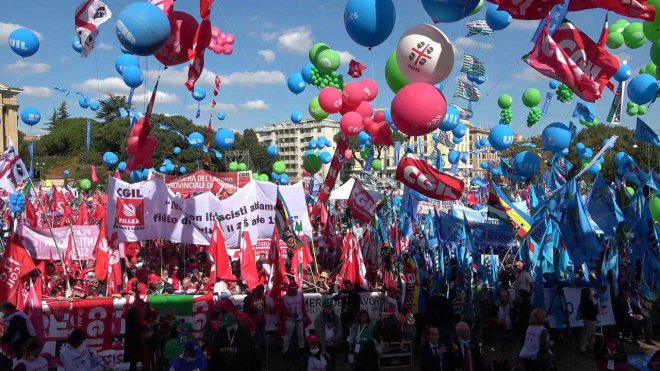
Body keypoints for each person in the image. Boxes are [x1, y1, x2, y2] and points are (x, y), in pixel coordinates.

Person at [313, 299, 342, 371]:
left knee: (333, 363)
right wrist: (323, 349)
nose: (329, 308)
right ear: (323, 307)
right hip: (323, 345)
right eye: (327, 306)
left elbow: (340, 331)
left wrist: (334, 338)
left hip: (333, 344)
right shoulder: (318, 318)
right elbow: (319, 333)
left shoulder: (336, 317)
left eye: (330, 306)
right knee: (324, 364)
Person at [244, 284, 267, 370]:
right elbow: (246, 311)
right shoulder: (248, 298)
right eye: (260, 291)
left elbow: (264, 306)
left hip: (261, 321)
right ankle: (255, 357)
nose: (261, 293)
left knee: (263, 340)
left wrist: (265, 309)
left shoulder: (263, 297)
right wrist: (254, 312)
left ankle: (262, 358)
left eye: (262, 291)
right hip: (253, 322)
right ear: (256, 290)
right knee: (258, 339)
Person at [282, 281, 307, 354]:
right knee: (288, 335)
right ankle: (285, 350)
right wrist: (289, 313)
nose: (294, 291)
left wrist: (304, 316)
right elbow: (284, 308)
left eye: (295, 289)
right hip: (290, 318)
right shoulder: (285, 297)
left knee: (301, 335)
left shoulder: (300, 295)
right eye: (292, 290)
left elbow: (302, 306)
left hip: (299, 318)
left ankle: (301, 349)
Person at [124, 298, 147, 371]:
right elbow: (135, 326)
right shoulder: (133, 313)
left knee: (134, 360)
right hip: (133, 339)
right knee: (134, 359)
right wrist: (144, 327)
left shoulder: (133, 312)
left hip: (133, 338)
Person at [578, 287, 599, 353]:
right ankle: (583, 348)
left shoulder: (588, 300)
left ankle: (591, 347)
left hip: (591, 318)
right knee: (587, 334)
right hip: (589, 319)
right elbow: (590, 311)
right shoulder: (587, 301)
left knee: (592, 334)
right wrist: (595, 311)